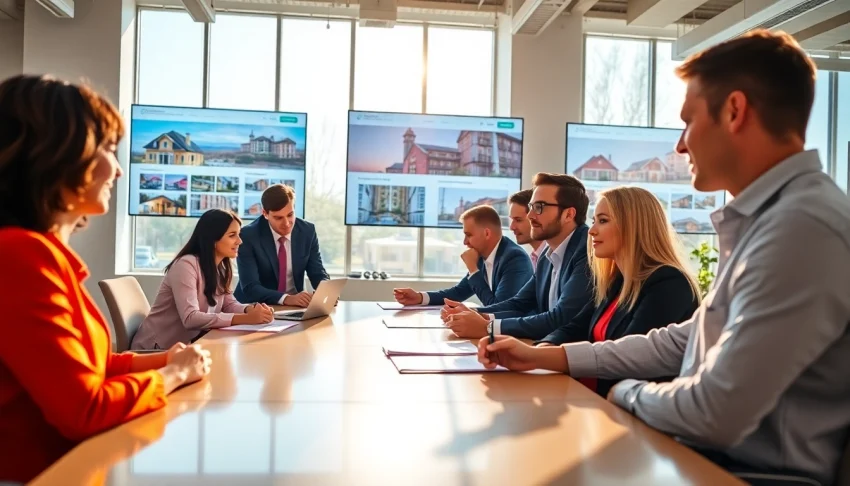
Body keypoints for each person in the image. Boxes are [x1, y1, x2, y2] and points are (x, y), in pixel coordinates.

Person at [478, 30, 850, 485]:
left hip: (746, 474)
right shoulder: (776, 218)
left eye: (688, 121)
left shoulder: (802, 229)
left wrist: (626, 394)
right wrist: (553, 358)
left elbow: (715, 411)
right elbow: (681, 340)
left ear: (734, 111)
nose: (679, 145)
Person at [0, 75, 212, 483]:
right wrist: (176, 375)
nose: (117, 171)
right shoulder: (19, 255)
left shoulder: (38, 253)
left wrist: (167, 359)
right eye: (107, 150)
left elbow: (89, 368)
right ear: (57, 156)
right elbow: (84, 408)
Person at [532, 186, 699, 397]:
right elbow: (574, 327)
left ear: (633, 226)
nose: (591, 231)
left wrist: (536, 357)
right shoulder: (618, 282)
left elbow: (627, 359)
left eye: (602, 221)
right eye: (594, 221)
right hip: (597, 401)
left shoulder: (669, 283)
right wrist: (544, 347)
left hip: (634, 412)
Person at [442, 173, 593, 341]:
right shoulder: (547, 255)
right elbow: (519, 303)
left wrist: (488, 327)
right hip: (548, 347)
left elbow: (560, 318)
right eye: (531, 207)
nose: (530, 216)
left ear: (569, 214)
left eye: (539, 207)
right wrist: (473, 313)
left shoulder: (586, 251)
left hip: (571, 357)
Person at [131, 209, 275, 350]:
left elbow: (229, 305)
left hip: (186, 347)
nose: (240, 241)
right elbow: (191, 319)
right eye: (232, 235)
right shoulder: (186, 265)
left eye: (239, 234)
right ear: (213, 239)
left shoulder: (220, 268)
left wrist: (252, 310)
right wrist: (246, 319)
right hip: (155, 350)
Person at [393, 205, 532, 307]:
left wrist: (473, 269)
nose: (465, 242)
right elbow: (458, 293)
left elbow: (498, 308)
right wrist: (419, 297)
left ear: (487, 233)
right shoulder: (483, 256)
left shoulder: (514, 258)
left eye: (469, 235)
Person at [235, 184, 329, 307]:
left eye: (290, 215)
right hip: (254, 307)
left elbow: (317, 272)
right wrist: (287, 298)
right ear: (265, 213)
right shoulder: (248, 236)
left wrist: (326, 293)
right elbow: (250, 287)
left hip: (294, 307)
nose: (286, 223)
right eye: (278, 218)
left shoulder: (307, 231)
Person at [506, 189, 547, 271]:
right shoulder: (535, 257)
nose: (512, 227)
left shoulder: (552, 258)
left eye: (518, 220)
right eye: (512, 220)